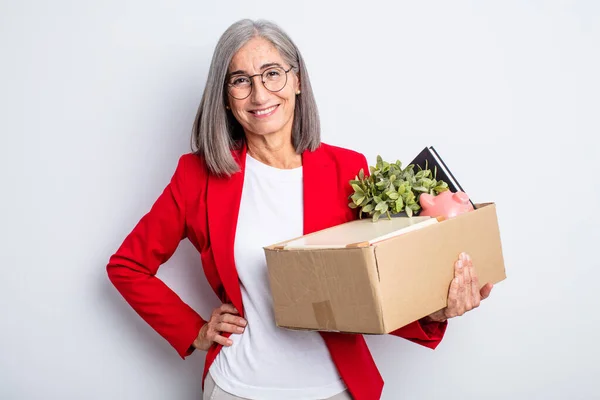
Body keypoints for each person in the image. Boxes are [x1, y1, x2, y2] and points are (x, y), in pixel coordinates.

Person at [106, 18, 493, 400]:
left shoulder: (349, 171)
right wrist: (195, 330)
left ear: (297, 81)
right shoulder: (197, 176)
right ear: (225, 96)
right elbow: (127, 266)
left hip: (335, 388)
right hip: (236, 388)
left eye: (272, 73)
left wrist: (436, 312)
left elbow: (378, 289)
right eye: (241, 80)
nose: (259, 95)